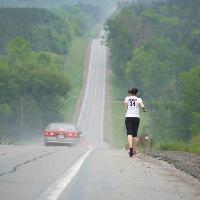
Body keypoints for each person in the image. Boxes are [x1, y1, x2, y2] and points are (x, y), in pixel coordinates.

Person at [124, 88, 146, 157]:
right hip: (136, 118)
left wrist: (128, 112)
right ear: (137, 93)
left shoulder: (127, 98)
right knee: (135, 134)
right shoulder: (139, 99)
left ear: (131, 92)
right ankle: (134, 150)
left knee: (129, 133)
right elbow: (142, 106)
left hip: (128, 117)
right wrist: (144, 109)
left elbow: (125, 108)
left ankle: (130, 147)